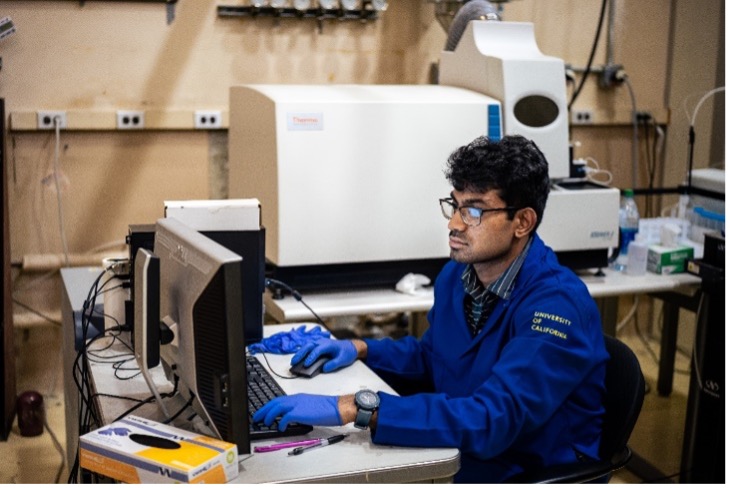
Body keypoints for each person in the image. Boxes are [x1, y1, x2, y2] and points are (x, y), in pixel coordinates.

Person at [253, 134, 609, 483]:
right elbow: (434, 357)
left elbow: (493, 419)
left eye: (474, 210)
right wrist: (360, 349)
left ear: (522, 222)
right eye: (454, 205)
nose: (454, 223)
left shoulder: (557, 306)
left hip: (528, 466)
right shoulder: (458, 275)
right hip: (469, 449)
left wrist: (356, 407)